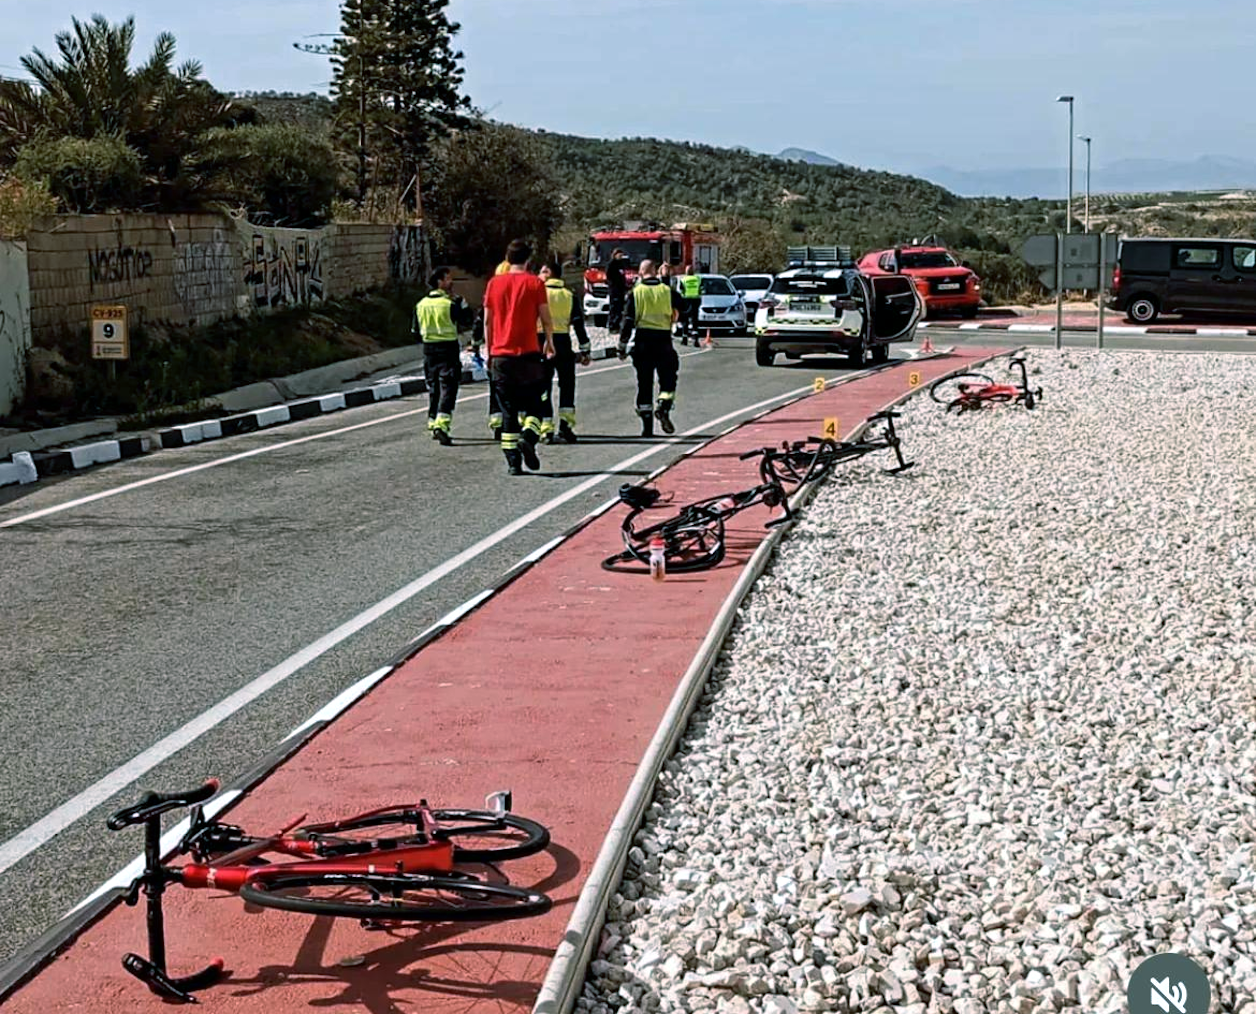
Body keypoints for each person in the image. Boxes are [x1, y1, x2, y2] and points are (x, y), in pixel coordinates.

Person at [483, 239, 554, 475]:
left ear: (507, 258)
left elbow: (487, 321)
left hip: (501, 356)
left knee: (508, 410)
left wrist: (489, 351)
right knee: (536, 403)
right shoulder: (535, 283)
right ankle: (529, 437)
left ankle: (513, 462)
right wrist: (550, 343)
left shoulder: (494, 284)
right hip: (529, 356)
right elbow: (546, 318)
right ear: (528, 260)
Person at [618, 259, 684, 438]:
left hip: (643, 341)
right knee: (668, 379)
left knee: (644, 383)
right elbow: (683, 307)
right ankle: (664, 406)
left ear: (640, 273)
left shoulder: (636, 293)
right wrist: (666, 280)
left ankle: (647, 427)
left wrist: (622, 346)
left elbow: (628, 321)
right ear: (655, 272)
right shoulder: (667, 291)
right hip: (663, 340)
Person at [413, 267, 473, 445]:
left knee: (434, 386)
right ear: (439, 282)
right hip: (448, 348)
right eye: (448, 279)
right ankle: (442, 424)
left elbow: (415, 332)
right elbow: (467, 320)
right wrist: (463, 304)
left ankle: (432, 421)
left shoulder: (420, 304)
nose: (451, 282)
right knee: (449, 386)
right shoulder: (449, 304)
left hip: (429, 350)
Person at [537, 260, 591, 443]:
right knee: (567, 386)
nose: (539, 275)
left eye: (542, 271)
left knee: (543, 386)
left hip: (541, 342)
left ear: (549, 273)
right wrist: (585, 349)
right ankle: (566, 427)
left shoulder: (538, 293)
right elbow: (578, 323)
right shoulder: (569, 295)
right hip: (563, 342)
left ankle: (546, 428)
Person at [485, 257, 513, 439]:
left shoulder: (492, 295)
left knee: (496, 387)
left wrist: (483, 347)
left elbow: (484, 322)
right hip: (515, 350)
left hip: (496, 350)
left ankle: (497, 422)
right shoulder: (517, 298)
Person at [606, 247, 633, 332]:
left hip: (621, 290)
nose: (620, 257)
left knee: (620, 308)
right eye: (619, 255)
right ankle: (612, 325)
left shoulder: (621, 264)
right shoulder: (611, 264)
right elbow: (609, 277)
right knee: (614, 308)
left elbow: (622, 276)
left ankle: (617, 324)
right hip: (614, 290)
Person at [677, 263, 702, 344]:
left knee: (685, 319)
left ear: (686, 271)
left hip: (686, 300)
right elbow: (701, 289)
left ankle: (684, 338)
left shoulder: (683, 279)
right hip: (695, 300)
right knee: (695, 320)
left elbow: (681, 290)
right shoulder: (698, 279)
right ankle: (695, 339)